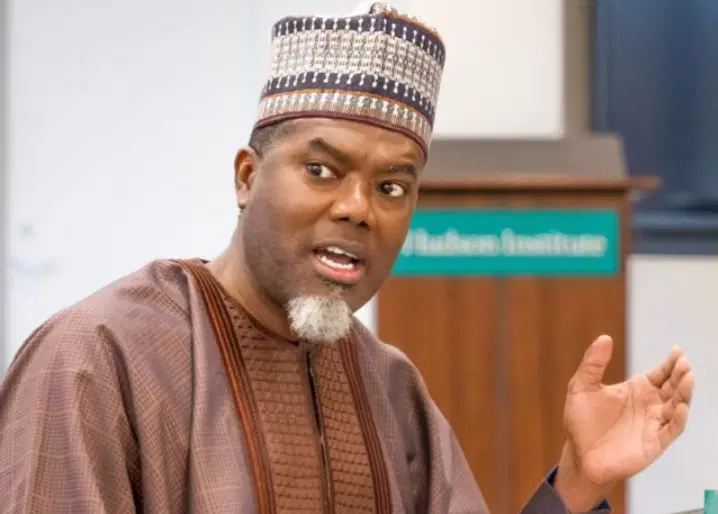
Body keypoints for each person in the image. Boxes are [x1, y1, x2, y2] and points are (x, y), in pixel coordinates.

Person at [0, 3, 694, 513]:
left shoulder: (389, 387)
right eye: (322, 170)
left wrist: (578, 482)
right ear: (247, 176)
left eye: (391, 187)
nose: (359, 208)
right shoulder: (98, 359)